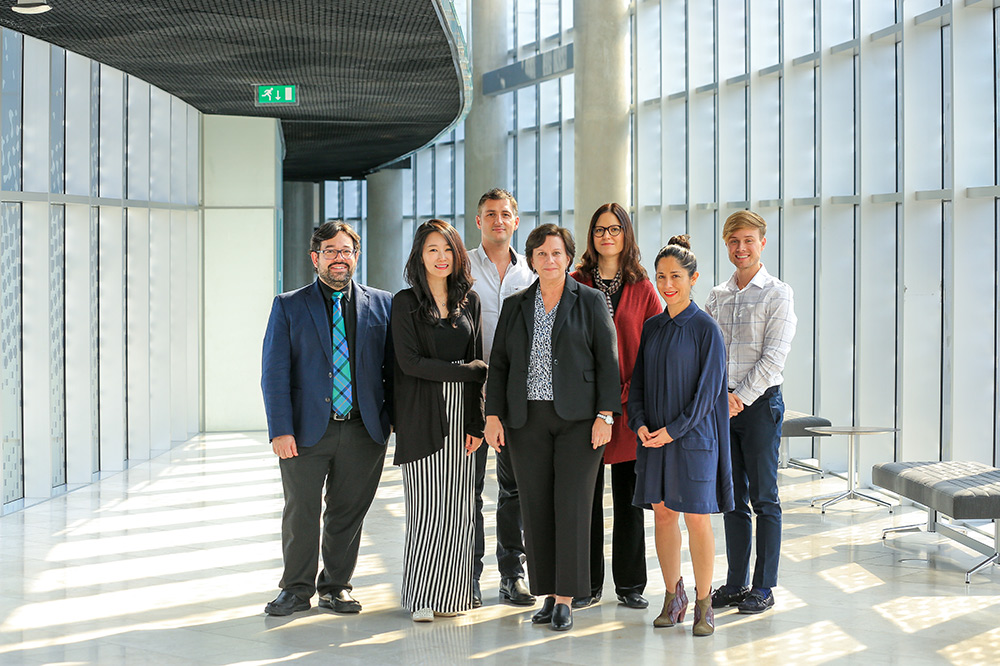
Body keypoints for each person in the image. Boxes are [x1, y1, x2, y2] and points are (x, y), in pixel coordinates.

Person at [484, 224, 619, 632]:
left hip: (580, 423)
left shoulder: (591, 300)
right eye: (540, 254)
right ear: (531, 259)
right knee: (536, 507)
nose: (549, 260)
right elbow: (501, 363)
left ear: (569, 258)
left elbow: (608, 362)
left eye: (556, 253)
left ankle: (566, 598)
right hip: (527, 421)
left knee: (573, 507)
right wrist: (492, 415)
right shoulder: (515, 304)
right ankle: (545, 594)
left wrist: (606, 415)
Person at [260, 220, 393, 616]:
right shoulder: (288, 305)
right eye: (331, 251)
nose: (339, 258)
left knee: (348, 511)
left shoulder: (383, 304)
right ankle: (296, 590)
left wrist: (393, 421)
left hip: (364, 429)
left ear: (357, 256)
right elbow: (274, 372)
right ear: (315, 257)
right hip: (304, 431)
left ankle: (336, 587)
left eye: (346, 250)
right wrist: (280, 428)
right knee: (301, 511)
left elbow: (394, 369)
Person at [628, 235, 734, 636]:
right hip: (653, 439)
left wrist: (672, 431)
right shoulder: (652, 327)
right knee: (663, 515)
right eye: (660, 276)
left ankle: (704, 603)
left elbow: (708, 395)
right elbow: (636, 385)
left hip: (692, 441)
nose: (667, 284)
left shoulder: (707, 330)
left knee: (697, 518)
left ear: (694, 279)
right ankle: (673, 596)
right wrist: (638, 423)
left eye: (675, 276)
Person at [392, 219, 488, 622]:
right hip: (422, 413)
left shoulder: (471, 301)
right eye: (432, 249)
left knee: (460, 509)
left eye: (447, 249)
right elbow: (410, 364)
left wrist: (477, 423)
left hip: (462, 413)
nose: (441, 257)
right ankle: (421, 597)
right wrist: (468, 370)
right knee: (427, 510)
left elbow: (480, 358)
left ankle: (454, 596)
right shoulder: (405, 302)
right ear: (419, 255)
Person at [570, 203, 661, 610]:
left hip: (628, 408)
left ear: (626, 234)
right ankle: (586, 583)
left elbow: (655, 344)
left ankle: (629, 585)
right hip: (584, 408)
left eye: (615, 228)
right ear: (591, 236)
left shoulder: (643, 288)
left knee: (629, 500)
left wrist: (630, 394)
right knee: (584, 499)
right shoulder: (575, 282)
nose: (607, 236)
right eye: (599, 229)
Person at [706, 210, 796, 615]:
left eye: (747, 240)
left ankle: (764, 585)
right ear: (727, 246)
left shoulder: (778, 293)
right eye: (733, 241)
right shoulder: (716, 296)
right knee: (733, 499)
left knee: (765, 498)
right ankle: (736, 583)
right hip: (722, 410)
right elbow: (706, 354)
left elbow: (774, 356)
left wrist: (739, 397)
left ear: (762, 242)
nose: (740, 248)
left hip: (759, 407)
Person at [467, 188, 536, 608]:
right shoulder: (460, 266)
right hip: (467, 395)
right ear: (478, 221)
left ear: (516, 220)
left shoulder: (530, 273)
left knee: (514, 491)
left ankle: (513, 576)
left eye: (505, 214)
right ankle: (467, 577)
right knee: (467, 490)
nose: (498, 220)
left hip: (516, 396)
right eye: (490, 214)